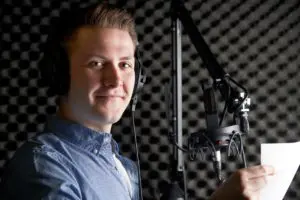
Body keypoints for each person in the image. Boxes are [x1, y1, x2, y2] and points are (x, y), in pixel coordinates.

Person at [0, 2, 275, 200]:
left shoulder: (123, 167)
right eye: (96, 63)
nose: (115, 79)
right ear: (59, 75)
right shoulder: (43, 167)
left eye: (125, 64)